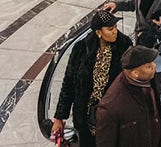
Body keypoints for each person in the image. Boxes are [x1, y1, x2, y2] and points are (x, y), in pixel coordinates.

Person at [51, 11, 132, 146]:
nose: (115, 32)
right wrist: (60, 117)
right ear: (99, 32)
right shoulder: (81, 49)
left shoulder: (124, 46)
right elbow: (69, 83)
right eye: (110, 29)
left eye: (116, 27)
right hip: (85, 116)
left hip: (111, 117)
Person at [95, 45, 161, 147]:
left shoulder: (150, 79)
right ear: (135, 73)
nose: (154, 66)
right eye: (148, 66)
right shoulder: (111, 106)